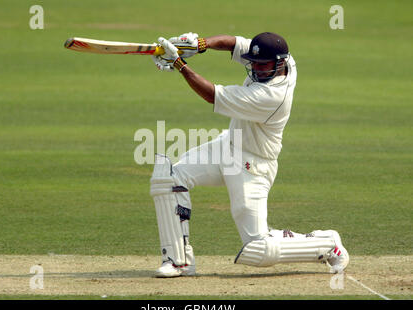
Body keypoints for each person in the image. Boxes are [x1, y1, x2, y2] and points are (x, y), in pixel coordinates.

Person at [149, 32, 349, 277]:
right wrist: (201, 44)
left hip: (252, 166)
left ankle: (328, 243)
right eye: (252, 63)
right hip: (228, 145)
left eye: (261, 65)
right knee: (170, 178)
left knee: (258, 248)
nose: (255, 69)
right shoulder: (281, 60)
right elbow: (234, 42)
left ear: (279, 63)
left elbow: (213, 94)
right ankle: (178, 261)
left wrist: (180, 64)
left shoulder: (272, 97)